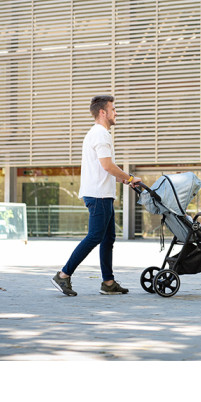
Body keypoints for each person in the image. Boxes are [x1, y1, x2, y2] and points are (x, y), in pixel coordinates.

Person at [51, 95, 141, 297]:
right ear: (103, 112)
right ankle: (63, 275)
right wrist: (130, 177)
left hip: (103, 194)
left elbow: (104, 169)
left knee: (108, 238)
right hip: (98, 195)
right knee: (95, 237)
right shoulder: (100, 134)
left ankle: (108, 283)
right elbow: (107, 166)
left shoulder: (98, 134)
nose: (116, 113)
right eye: (113, 109)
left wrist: (125, 179)